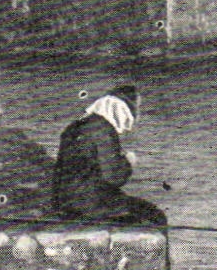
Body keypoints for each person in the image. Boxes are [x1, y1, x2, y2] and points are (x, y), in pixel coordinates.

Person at [51, 85, 167, 226]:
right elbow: (113, 177)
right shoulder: (104, 130)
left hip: (63, 203)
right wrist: (128, 162)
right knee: (155, 215)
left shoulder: (74, 127)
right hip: (90, 206)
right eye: (137, 108)